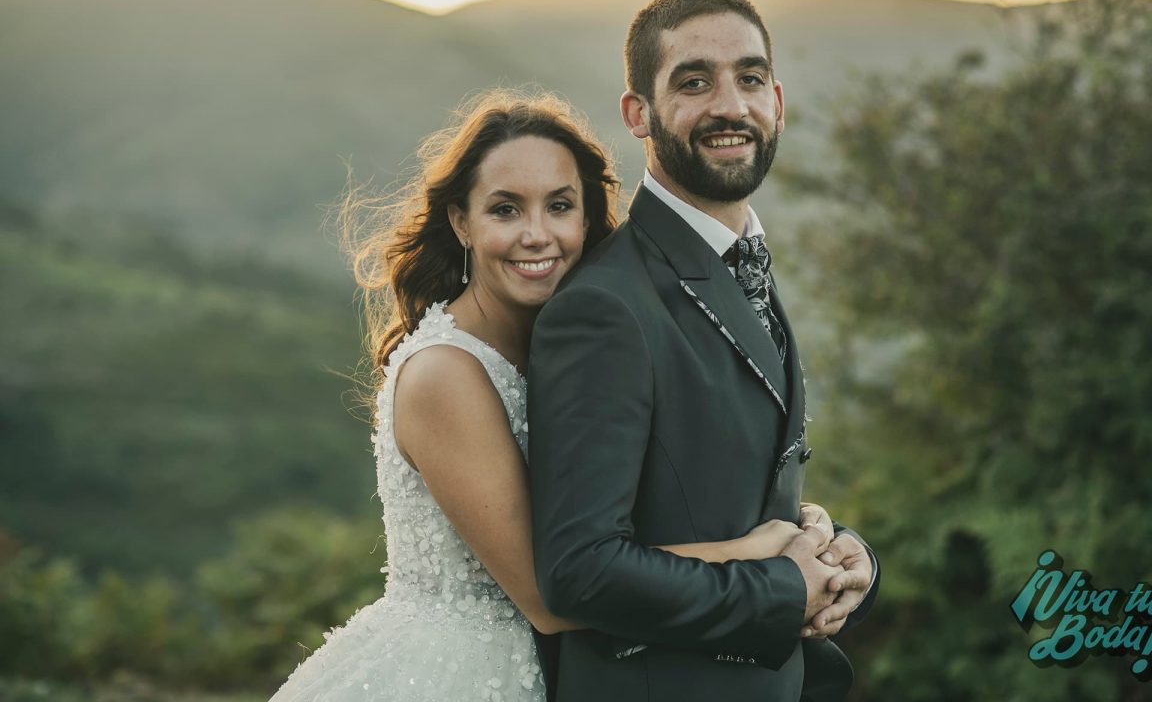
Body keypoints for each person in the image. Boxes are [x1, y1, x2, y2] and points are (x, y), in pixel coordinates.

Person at [269, 89, 837, 702]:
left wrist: (812, 536)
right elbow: (550, 596)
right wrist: (754, 554)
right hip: (456, 672)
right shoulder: (445, 374)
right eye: (506, 210)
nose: (537, 235)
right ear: (462, 222)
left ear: (588, 218)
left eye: (559, 206)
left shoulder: (585, 343)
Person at [527, 0, 880, 702]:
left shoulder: (741, 259)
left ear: (776, 100)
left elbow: (726, 498)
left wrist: (847, 559)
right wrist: (786, 589)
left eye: (749, 79)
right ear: (639, 114)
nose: (730, 105)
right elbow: (581, 571)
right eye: (694, 82)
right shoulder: (603, 306)